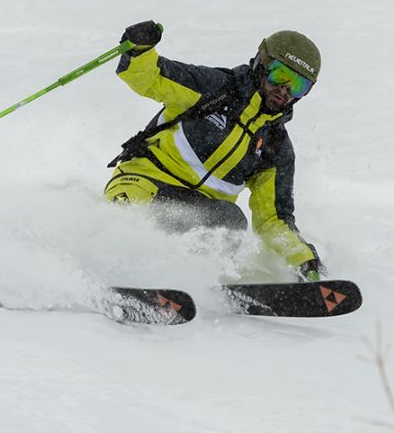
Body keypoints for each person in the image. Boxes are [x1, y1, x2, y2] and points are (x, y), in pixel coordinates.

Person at [103, 20, 326, 282]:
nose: (285, 90)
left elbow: (272, 221)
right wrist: (140, 49)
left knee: (231, 222)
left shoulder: (275, 148)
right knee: (131, 225)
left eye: (299, 85)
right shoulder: (214, 89)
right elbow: (149, 78)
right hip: (142, 185)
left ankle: (182, 281)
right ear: (262, 64)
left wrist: (303, 260)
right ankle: (111, 268)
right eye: (280, 75)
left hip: (197, 211)